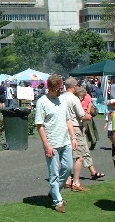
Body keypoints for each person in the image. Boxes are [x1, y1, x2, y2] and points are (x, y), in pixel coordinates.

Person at [35, 74, 77, 213]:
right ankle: (57, 201)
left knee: (69, 167)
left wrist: (73, 137)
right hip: (52, 142)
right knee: (54, 173)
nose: (61, 91)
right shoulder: (42, 102)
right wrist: (46, 144)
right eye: (59, 89)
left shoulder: (62, 100)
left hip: (65, 141)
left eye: (62, 88)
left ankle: (55, 191)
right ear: (51, 88)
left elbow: (68, 120)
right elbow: (40, 125)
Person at [61, 78, 101, 192]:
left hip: (65, 127)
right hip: (75, 127)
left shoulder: (61, 98)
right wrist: (90, 115)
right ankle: (76, 182)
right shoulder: (74, 99)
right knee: (81, 156)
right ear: (74, 87)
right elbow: (82, 115)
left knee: (67, 154)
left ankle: (68, 180)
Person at [103, 100, 115, 168]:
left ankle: (114, 144)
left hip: (113, 127)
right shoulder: (109, 111)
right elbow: (107, 120)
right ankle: (113, 143)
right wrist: (105, 124)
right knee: (110, 136)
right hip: (110, 127)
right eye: (112, 104)